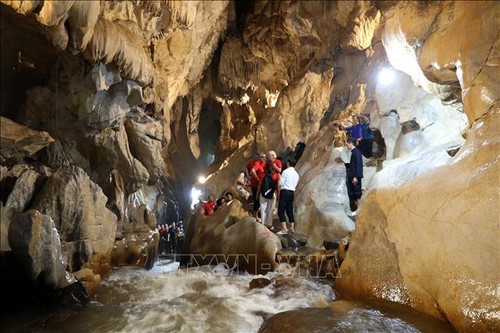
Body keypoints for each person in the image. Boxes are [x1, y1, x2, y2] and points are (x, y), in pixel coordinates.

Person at [276, 158, 299, 234]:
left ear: (288, 163)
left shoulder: (285, 172)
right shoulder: (296, 174)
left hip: (284, 191)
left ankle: (284, 228)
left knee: (281, 211)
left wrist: (279, 182)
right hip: (291, 192)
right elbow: (296, 184)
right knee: (290, 211)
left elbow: (281, 183)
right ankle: (292, 228)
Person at [345, 138, 363, 215]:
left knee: (357, 193)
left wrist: (356, 176)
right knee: (352, 193)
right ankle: (358, 210)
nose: (346, 145)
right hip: (351, 176)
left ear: (351, 143)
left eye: (347, 144)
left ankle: (360, 210)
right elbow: (353, 164)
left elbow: (359, 165)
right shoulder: (354, 152)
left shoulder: (357, 152)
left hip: (354, 177)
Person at [258, 163, 279, 228]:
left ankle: (263, 223)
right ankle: (269, 224)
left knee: (263, 208)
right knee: (270, 209)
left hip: (263, 193)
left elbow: (260, 184)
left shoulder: (262, 174)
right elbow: (278, 186)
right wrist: (278, 195)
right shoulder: (276, 175)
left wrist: (257, 194)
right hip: (272, 194)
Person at [249, 153, 267, 219]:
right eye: (262, 157)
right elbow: (252, 171)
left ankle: (259, 214)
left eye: (265, 157)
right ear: (259, 157)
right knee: (257, 200)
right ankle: (255, 215)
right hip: (255, 185)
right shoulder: (257, 163)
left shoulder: (264, 164)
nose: (264, 159)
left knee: (262, 199)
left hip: (262, 185)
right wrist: (257, 179)